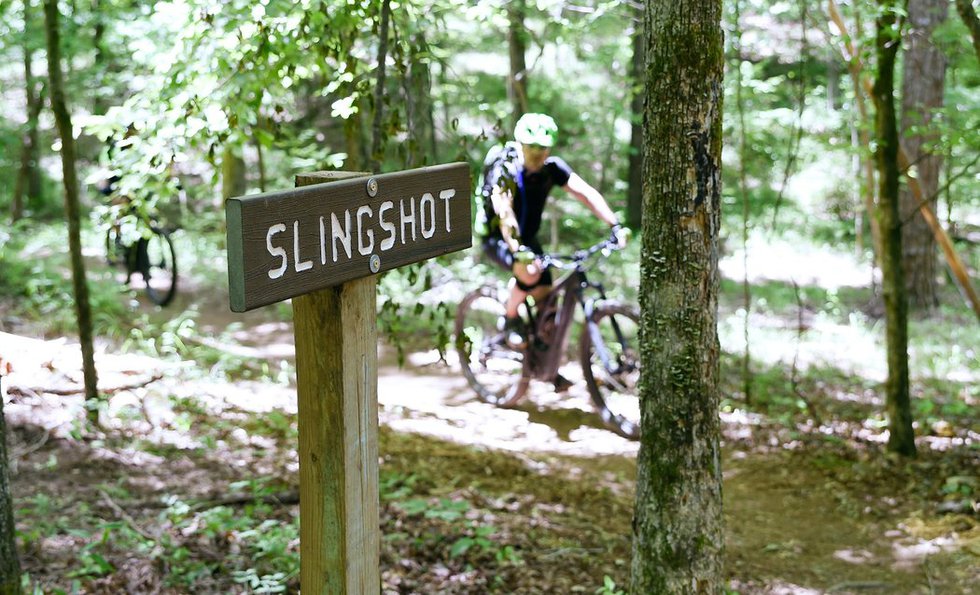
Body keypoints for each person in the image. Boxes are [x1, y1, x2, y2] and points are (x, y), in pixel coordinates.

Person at [476, 112, 627, 348]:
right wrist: (518, 249)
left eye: (543, 147)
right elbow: (505, 213)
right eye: (532, 147)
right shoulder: (504, 169)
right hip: (499, 238)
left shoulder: (551, 168)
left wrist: (614, 225)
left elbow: (585, 194)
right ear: (521, 145)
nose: (538, 153)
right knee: (529, 271)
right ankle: (511, 319)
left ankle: (542, 365)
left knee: (548, 303)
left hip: (529, 238)